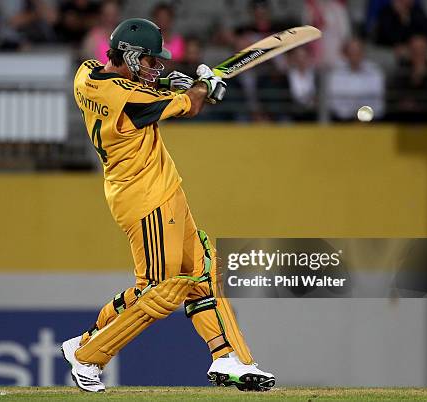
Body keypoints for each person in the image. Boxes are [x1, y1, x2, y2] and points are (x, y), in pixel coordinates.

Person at [62, 18, 276, 393]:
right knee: (161, 289)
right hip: (146, 199)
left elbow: (127, 84)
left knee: (202, 271)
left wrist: (162, 81)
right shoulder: (129, 100)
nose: (154, 67)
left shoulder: (86, 75)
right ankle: (87, 354)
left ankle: (230, 358)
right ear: (128, 55)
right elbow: (191, 106)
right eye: (148, 61)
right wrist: (204, 85)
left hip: (159, 190)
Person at [387, 35, 427, 122]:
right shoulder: (401, 70)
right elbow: (394, 94)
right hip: (404, 115)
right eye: (415, 49)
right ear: (409, 50)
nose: (418, 52)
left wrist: (419, 105)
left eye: (422, 49)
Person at [327, 38, 385, 121]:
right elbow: (334, 102)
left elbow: (377, 102)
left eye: (357, 52)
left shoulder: (375, 73)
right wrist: (351, 113)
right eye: (351, 52)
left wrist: (361, 114)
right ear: (346, 54)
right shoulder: (336, 74)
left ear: (363, 53)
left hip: (370, 120)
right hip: (343, 120)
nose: (354, 55)